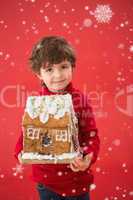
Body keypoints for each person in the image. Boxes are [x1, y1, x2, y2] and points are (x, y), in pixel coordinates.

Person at [14, 36, 100, 200]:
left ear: (72, 68)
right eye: (49, 70)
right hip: (47, 184)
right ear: (38, 74)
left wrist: (87, 158)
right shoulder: (36, 103)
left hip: (77, 181)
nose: (58, 74)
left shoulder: (80, 101)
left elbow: (91, 135)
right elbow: (27, 133)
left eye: (63, 66)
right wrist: (19, 152)